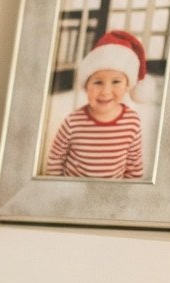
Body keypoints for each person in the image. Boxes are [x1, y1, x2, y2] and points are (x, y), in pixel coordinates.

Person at [46, 29, 146, 179]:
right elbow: (55, 161)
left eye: (116, 82)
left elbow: (134, 167)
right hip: (73, 192)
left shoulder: (132, 122)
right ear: (86, 86)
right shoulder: (72, 122)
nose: (105, 91)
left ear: (127, 86)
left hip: (109, 195)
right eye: (98, 82)